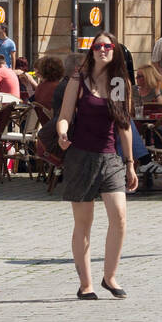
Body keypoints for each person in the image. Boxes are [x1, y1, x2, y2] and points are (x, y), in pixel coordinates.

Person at [56, 32, 138, 299]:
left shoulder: (117, 82)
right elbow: (65, 115)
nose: (103, 50)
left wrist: (130, 163)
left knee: (119, 216)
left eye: (108, 46)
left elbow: (124, 125)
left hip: (110, 158)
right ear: (91, 51)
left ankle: (110, 277)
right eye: (98, 46)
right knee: (84, 222)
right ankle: (86, 285)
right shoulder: (79, 80)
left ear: (114, 51)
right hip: (80, 156)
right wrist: (62, 132)